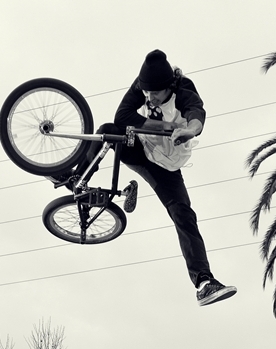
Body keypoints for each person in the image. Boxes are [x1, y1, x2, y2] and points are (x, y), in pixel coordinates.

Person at [74, 50, 237, 306]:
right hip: (140, 149)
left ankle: (204, 283)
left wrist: (189, 131)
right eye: (146, 92)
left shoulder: (183, 91)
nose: (149, 97)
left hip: (167, 167)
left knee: (183, 215)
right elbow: (123, 117)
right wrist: (163, 127)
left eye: (155, 94)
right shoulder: (142, 86)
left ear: (169, 87)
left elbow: (197, 115)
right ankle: (76, 177)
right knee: (108, 130)